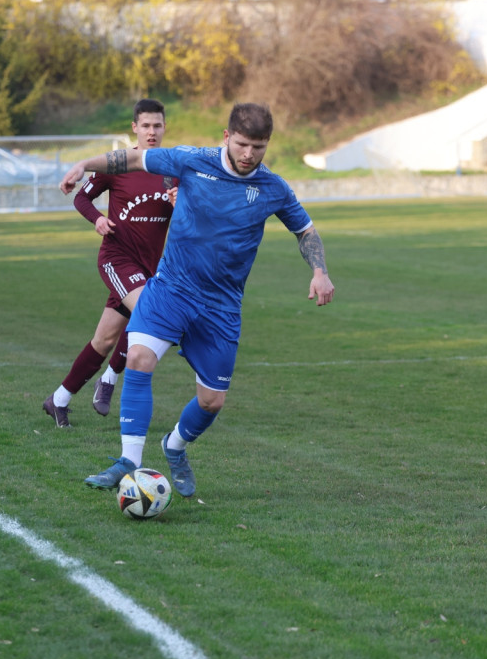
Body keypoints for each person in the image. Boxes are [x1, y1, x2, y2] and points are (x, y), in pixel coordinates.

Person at [59, 102, 335, 497]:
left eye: (258, 147)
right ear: (227, 137)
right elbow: (134, 157)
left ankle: (174, 446)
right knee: (138, 357)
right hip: (171, 288)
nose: (248, 155)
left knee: (211, 402)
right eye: (242, 144)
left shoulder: (273, 188)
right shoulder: (192, 160)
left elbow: (305, 230)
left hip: (221, 307)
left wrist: (319, 271)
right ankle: (129, 462)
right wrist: (84, 164)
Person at [43, 99, 177, 427]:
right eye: (145, 126)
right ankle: (109, 381)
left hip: (149, 266)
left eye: (157, 126)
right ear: (134, 128)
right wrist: (98, 220)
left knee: (104, 341)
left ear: (164, 128)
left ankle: (58, 400)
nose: (151, 132)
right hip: (117, 258)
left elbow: (188, 218)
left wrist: (181, 203)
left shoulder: (172, 170)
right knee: (152, 312)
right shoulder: (118, 165)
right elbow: (81, 197)